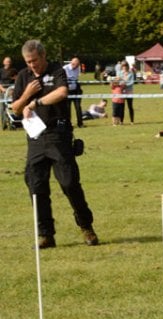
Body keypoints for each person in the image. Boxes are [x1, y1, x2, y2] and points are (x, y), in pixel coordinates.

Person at [11, 39, 98, 248]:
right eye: (28, 61)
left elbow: (62, 93)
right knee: (36, 186)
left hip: (58, 135)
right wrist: (27, 94)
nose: (32, 65)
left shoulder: (57, 70)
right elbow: (15, 108)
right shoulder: (24, 76)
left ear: (43, 55)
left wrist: (37, 101)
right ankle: (46, 234)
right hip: (35, 138)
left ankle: (86, 227)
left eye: (34, 60)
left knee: (69, 183)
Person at [63, 57, 84, 127]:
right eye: (76, 65)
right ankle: (68, 124)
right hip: (67, 91)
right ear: (72, 63)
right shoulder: (65, 69)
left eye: (78, 65)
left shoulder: (78, 68)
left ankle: (80, 123)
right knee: (67, 108)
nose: (77, 67)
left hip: (76, 90)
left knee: (78, 107)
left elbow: (76, 78)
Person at [1, 56, 18, 126]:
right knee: (3, 107)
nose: (8, 63)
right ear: (4, 62)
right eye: (7, 61)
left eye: (9, 61)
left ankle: (14, 122)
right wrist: (3, 89)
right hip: (3, 91)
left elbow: (17, 80)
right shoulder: (1, 71)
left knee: (12, 106)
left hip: (11, 91)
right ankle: (4, 123)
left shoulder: (13, 70)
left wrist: (12, 89)